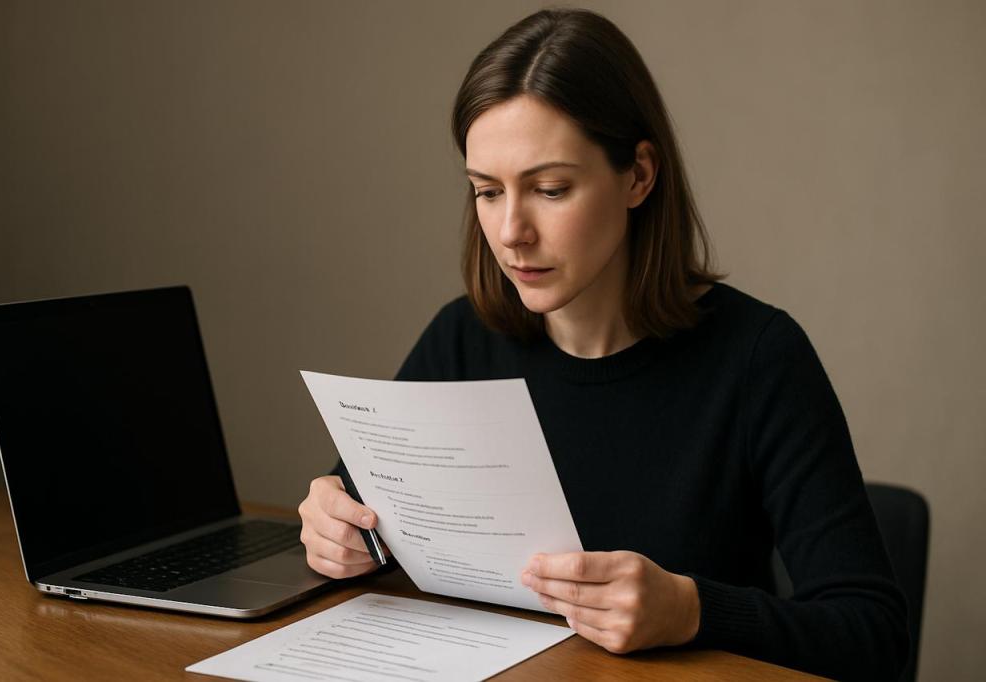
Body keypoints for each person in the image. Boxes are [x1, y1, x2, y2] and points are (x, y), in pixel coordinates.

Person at [298, 8, 908, 681]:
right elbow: (354, 513)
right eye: (486, 192)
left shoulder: (759, 357)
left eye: (550, 189)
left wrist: (691, 609)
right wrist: (336, 530)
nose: (511, 232)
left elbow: (873, 636)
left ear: (639, 176)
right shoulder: (461, 339)